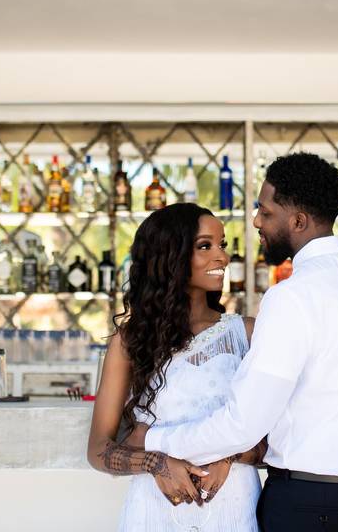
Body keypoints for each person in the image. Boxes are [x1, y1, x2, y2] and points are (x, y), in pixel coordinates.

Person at [137, 152, 338, 531]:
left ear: (297, 221)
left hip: (311, 506)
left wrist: (153, 441)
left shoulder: (291, 296)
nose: (256, 221)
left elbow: (242, 426)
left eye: (265, 212)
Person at [86, 203, 266, 531]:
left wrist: (229, 456)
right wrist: (156, 462)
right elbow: (99, 450)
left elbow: (276, 442)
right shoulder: (131, 341)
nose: (222, 257)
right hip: (153, 509)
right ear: (171, 255)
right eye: (205, 246)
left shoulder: (248, 334)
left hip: (232, 505)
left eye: (222, 245)